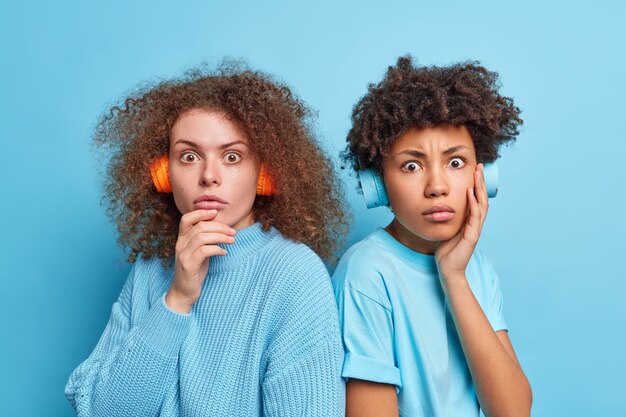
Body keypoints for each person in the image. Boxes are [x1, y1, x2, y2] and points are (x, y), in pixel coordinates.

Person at [65, 62, 348, 416]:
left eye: (232, 157)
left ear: (264, 174)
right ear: (163, 174)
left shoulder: (294, 273)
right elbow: (105, 411)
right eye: (189, 156)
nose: (209, 176)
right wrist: (177, 299)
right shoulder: (151, 270)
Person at [333, 56, 532, 417]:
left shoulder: (477, 267)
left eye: (455, 163)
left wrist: (454, 276)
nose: (437, 186)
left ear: (482, 176)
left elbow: (513, 411)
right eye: (411, 165)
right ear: (378, 184)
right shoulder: (366, 272)